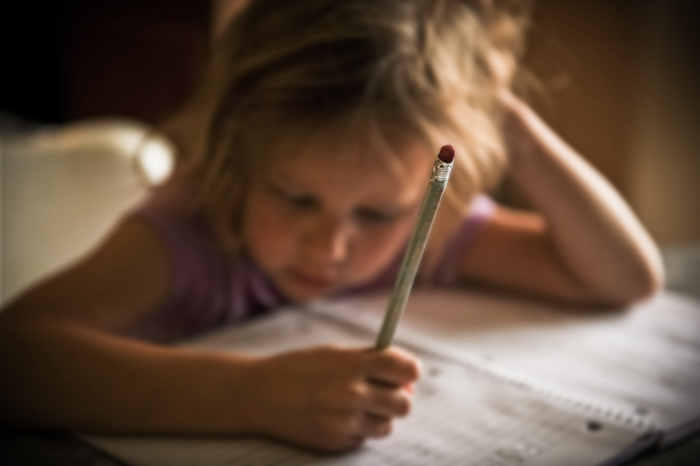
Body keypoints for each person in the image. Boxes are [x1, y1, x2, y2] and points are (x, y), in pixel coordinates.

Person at [0, 0, 663, 453]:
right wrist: (249, 395)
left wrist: (500, 119)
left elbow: (624, 278)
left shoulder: (425, 231)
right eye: (294, 198)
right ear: (238, 153)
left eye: (376, 213)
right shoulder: (190, 237)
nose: (331, 247)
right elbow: (17, 359)